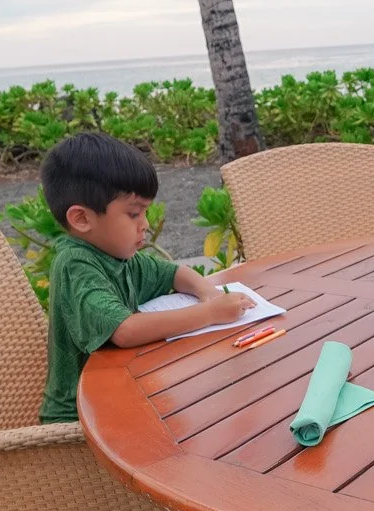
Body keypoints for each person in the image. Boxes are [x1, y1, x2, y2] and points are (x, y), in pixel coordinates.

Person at [37, 131, 252, 422]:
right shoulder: (76, 264)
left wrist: (209, 293)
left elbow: (175, 273)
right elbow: (125, 330)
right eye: (134, 214)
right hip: (81, 420)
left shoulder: (119, 256)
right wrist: (210, 312)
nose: (145, 225)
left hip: (123, 394)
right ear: (82, 219)